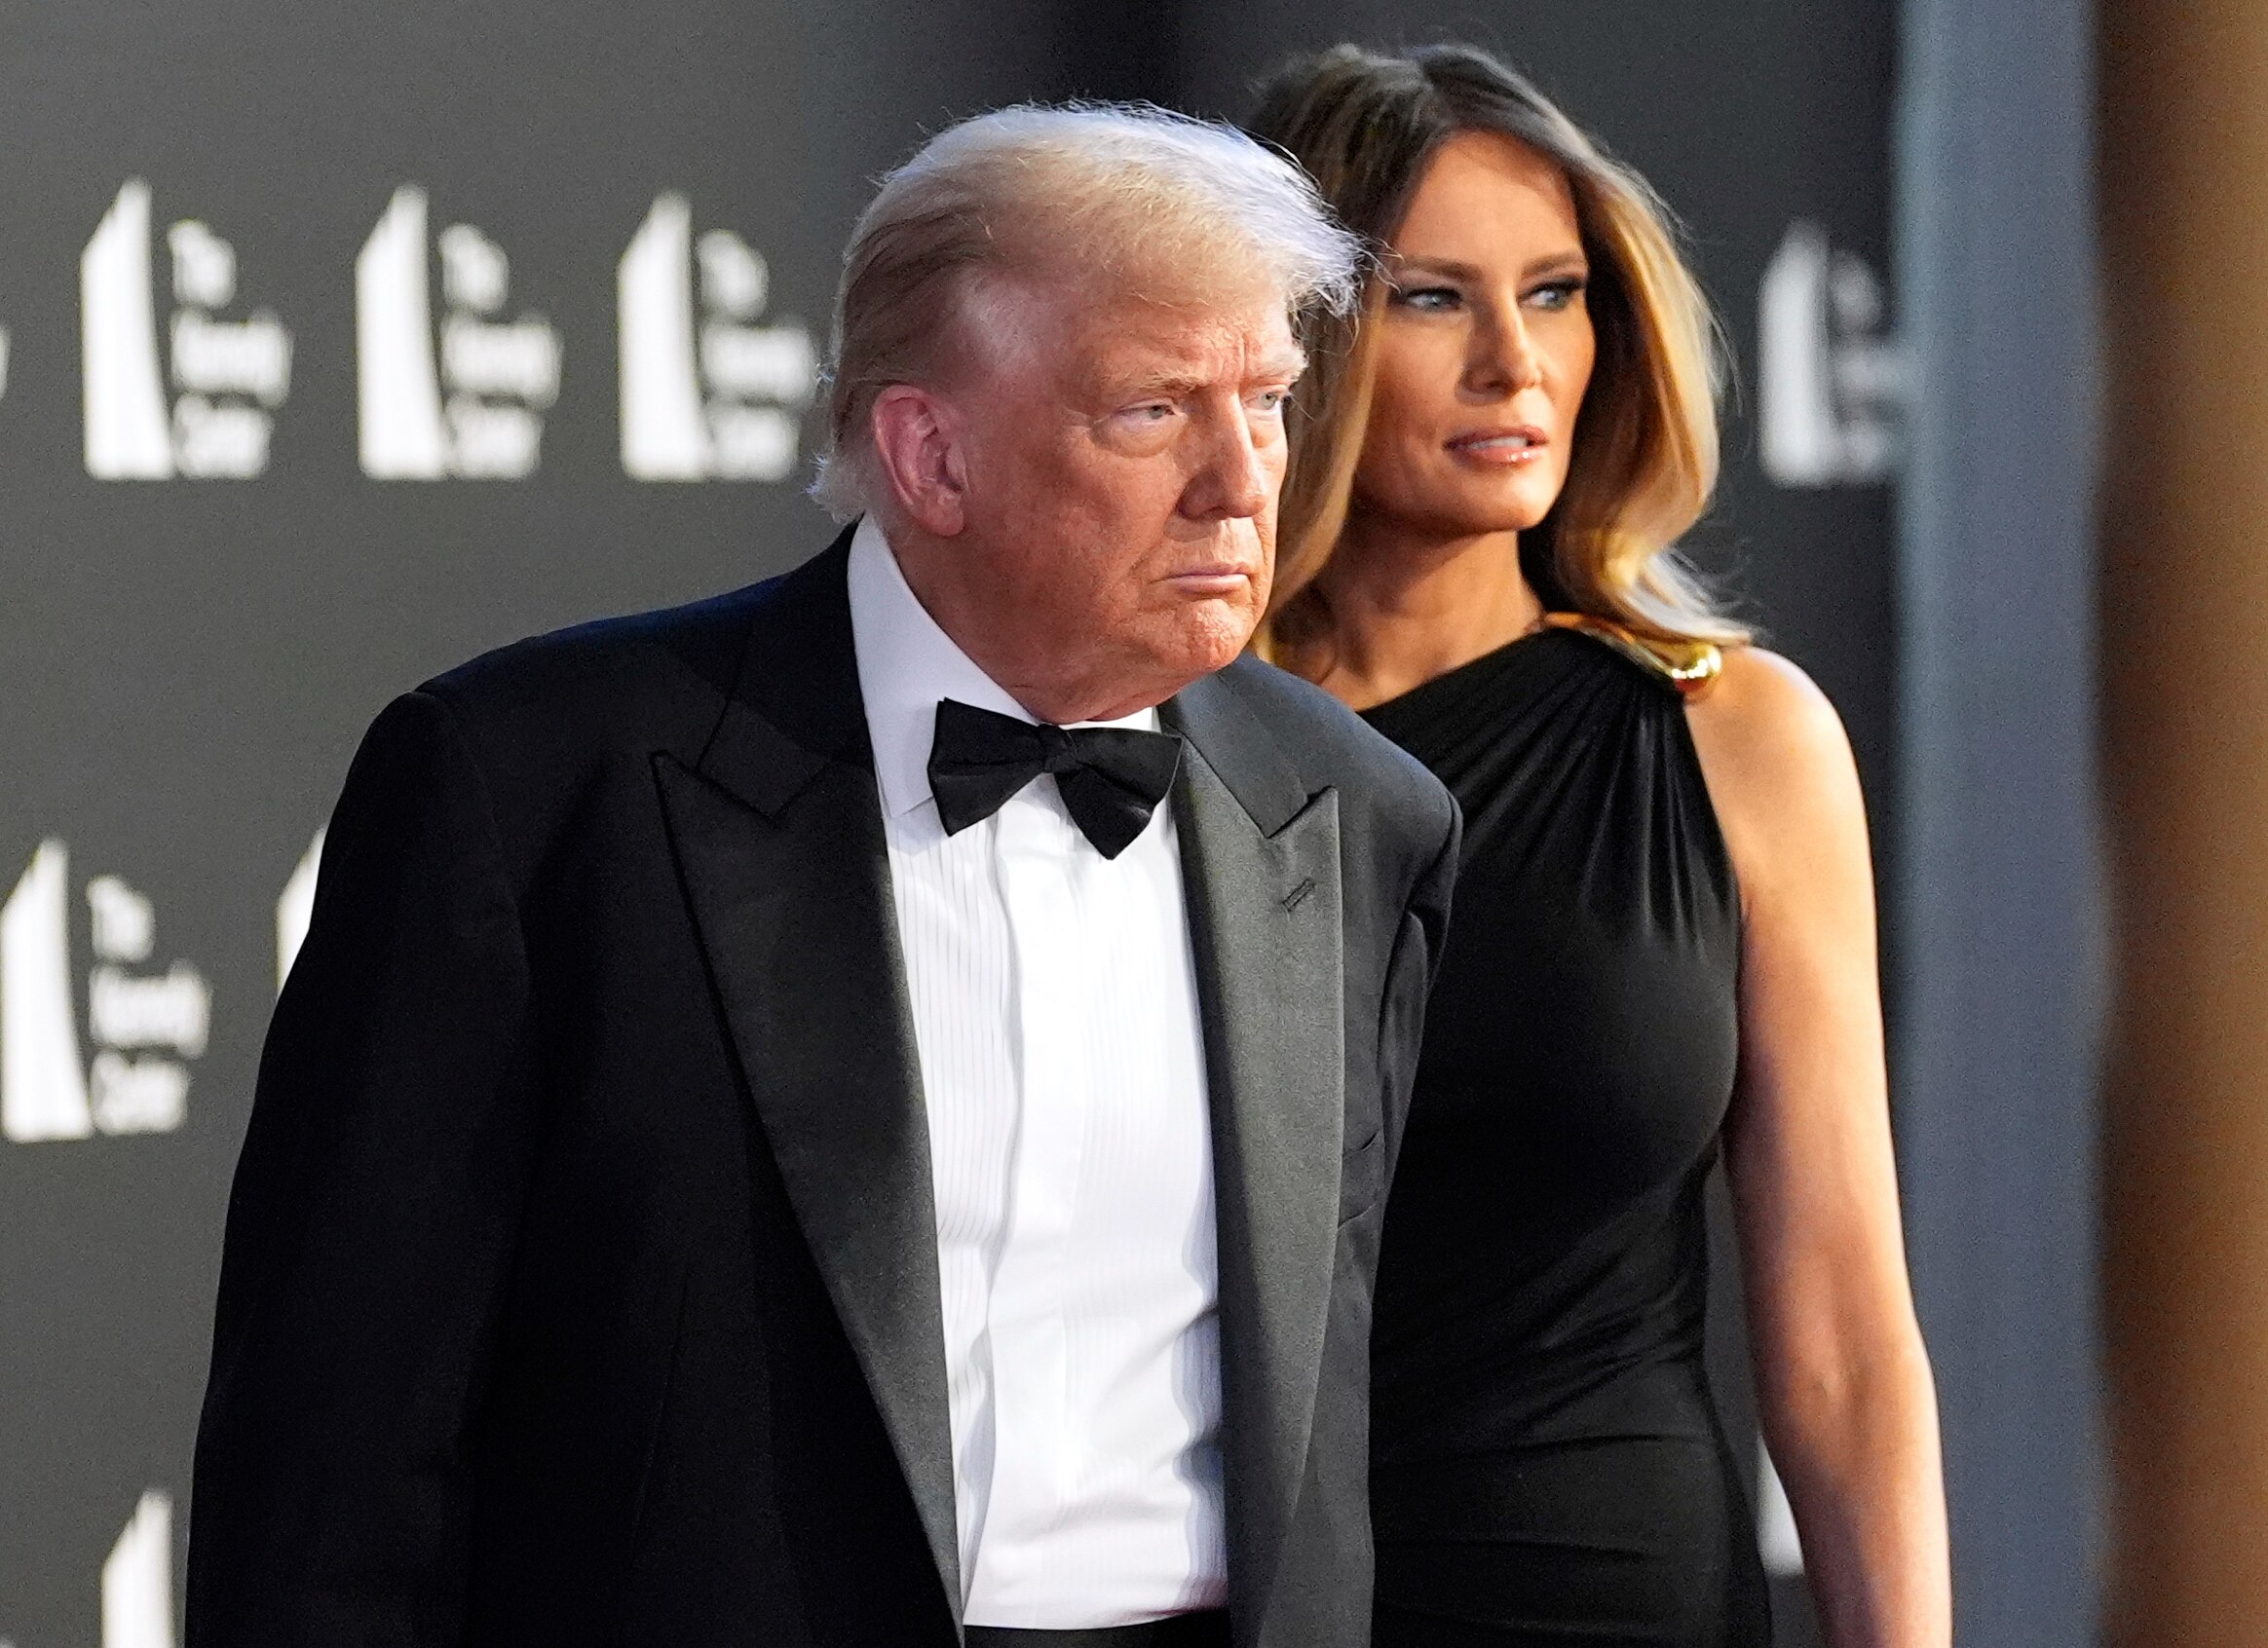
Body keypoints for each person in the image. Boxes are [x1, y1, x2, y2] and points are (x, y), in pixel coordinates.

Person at [187, 105, 1459, 1648]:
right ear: (930, 452)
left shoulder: (1354, 814)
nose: (1242, 480)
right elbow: (333, 1458)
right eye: (1153, 413)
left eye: (1266, 398)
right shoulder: (531, 791)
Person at [1246, 46, 1949, 1648]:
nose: (1517, 363)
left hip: (1621, 1600)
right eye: (1433, 299)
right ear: (1294, 335)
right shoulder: (1156, 736)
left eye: (1555, 294)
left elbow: (1843, 1337)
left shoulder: (1730, 736)